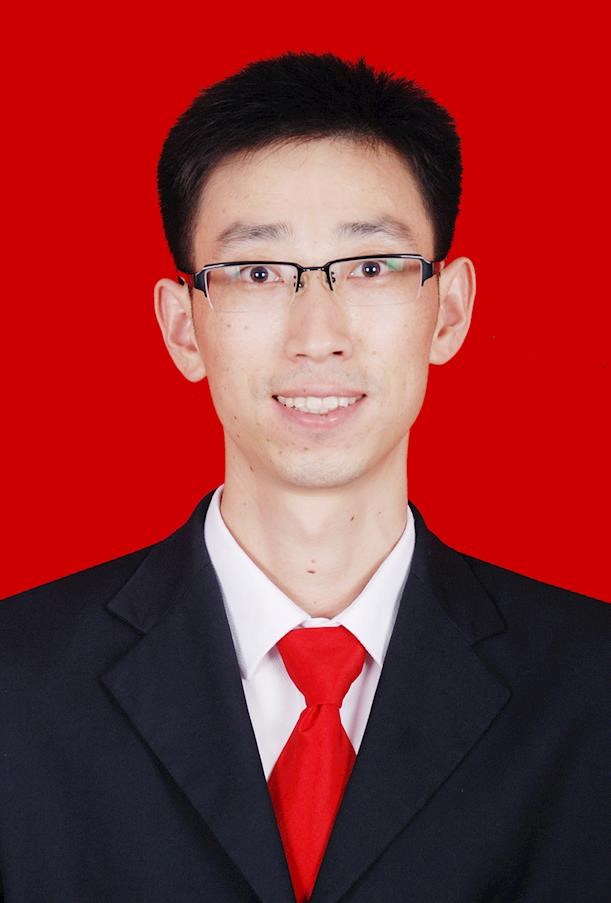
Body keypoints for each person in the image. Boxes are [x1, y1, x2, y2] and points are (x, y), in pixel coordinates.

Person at [0, 52, 609, 903]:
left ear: (449, 310)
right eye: (257, 273)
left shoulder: (591, 687)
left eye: (370, 267)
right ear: (182, 327)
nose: (317, 335)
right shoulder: (17, 684)